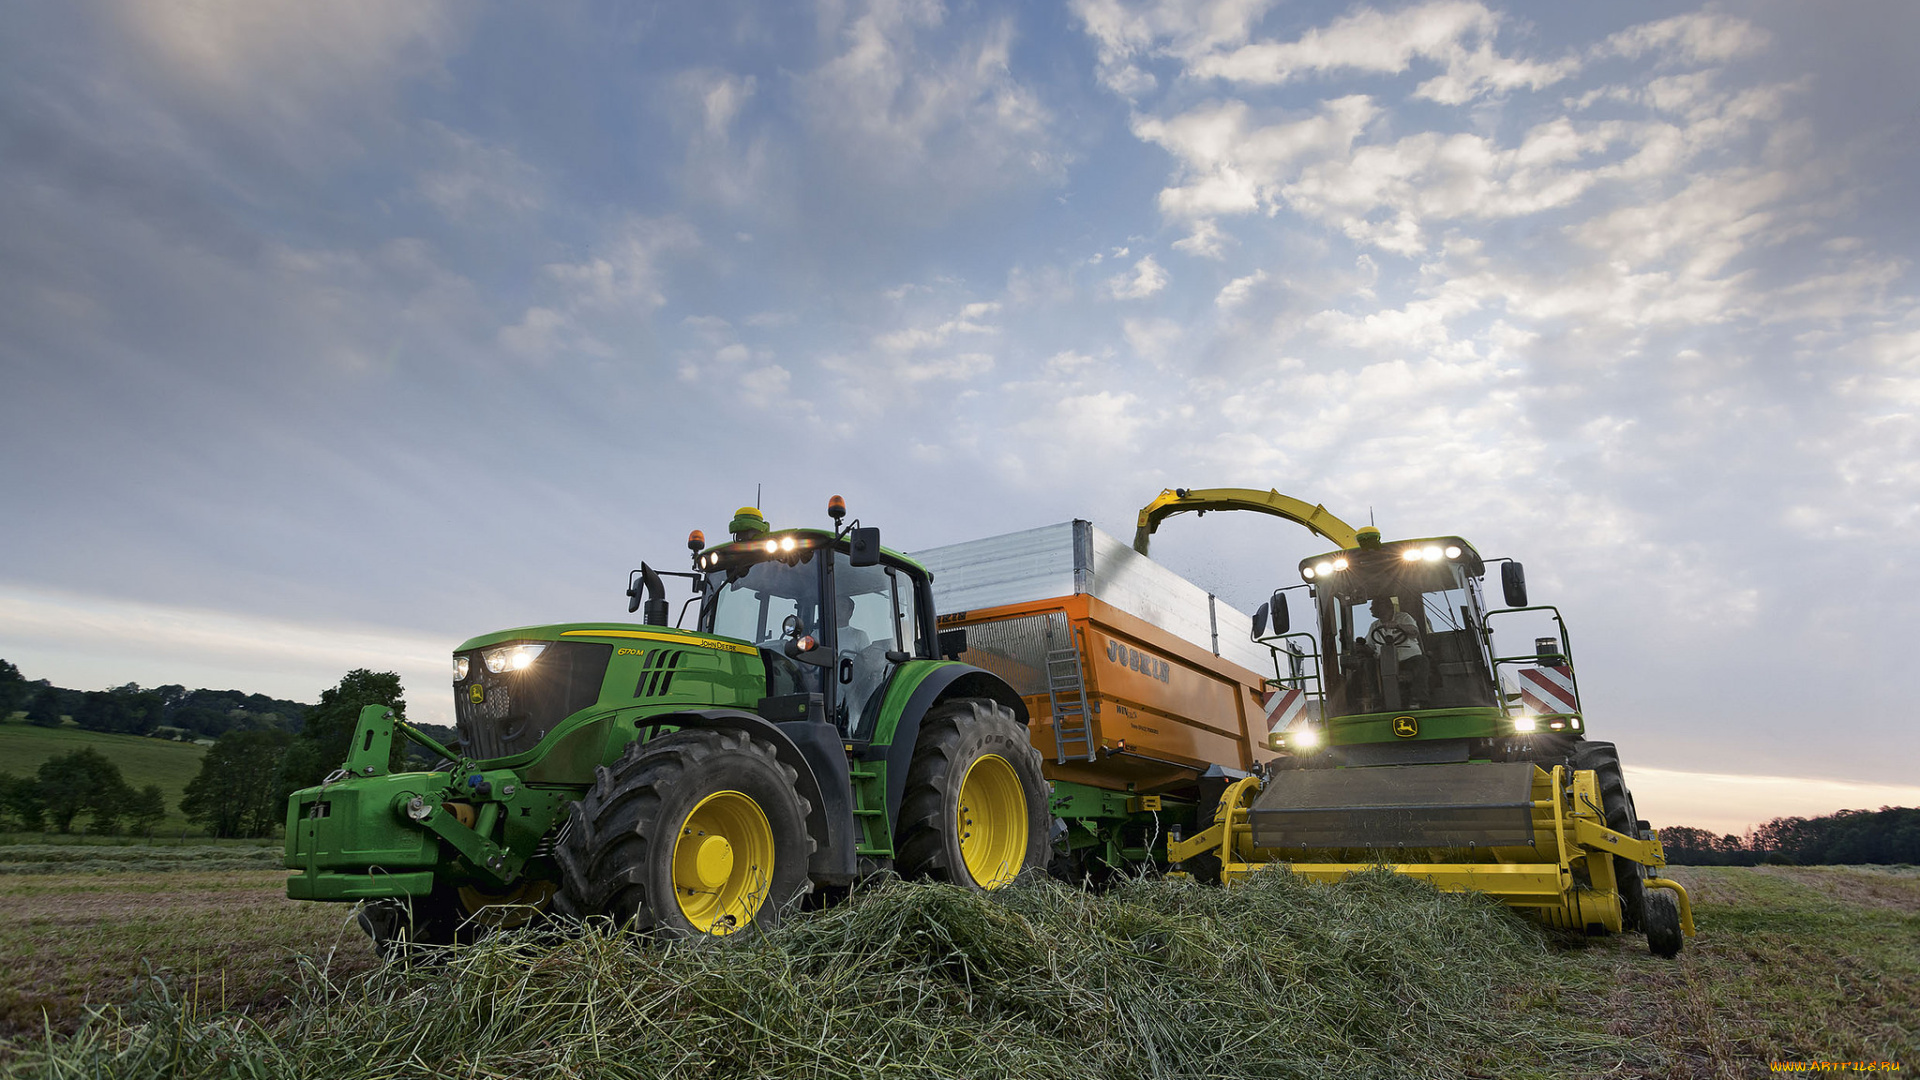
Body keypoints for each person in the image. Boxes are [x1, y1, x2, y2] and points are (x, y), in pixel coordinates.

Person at [1366, 597, 1429, 707]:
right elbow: (1370, 646)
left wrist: (1398, 625)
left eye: (1374, 605)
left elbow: (1414, 631)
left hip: (1408, 659)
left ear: (1387, 607)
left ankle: (1418, 700)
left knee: (1422, 661)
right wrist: (1361, 647)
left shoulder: (1404, 617)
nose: (1371, 608)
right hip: (1383, 661)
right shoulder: (1374, 626)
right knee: (1368, 664)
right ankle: (1376, 701)